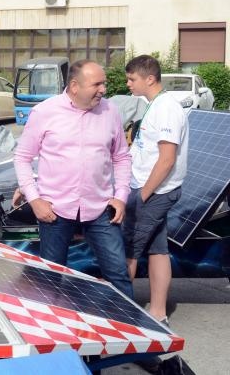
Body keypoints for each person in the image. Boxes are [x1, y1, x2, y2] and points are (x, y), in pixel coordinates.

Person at [13, 59, 133, 298]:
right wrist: (35, 199)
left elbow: (121, 157)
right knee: (51, 276)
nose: (103, 89)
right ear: (75, 86)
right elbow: (22, 157)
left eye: (104, 83)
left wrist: (121, 197)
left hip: (100, 208)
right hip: (54, 209)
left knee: (118, 273)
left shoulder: (110, 111)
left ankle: (133, 332)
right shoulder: (45, 112)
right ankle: (53, 330)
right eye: (97, 84)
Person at [124, 55, 188, 324]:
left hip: (154, 192)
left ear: (150, 79)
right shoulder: (155, 105)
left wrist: (143, 195)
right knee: (157, 249)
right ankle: (158, 312)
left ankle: (117, 313)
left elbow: (166, 159)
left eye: (132, 79)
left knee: (127, 249)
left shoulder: (166, 109)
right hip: (150, 189)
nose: (128, 84)